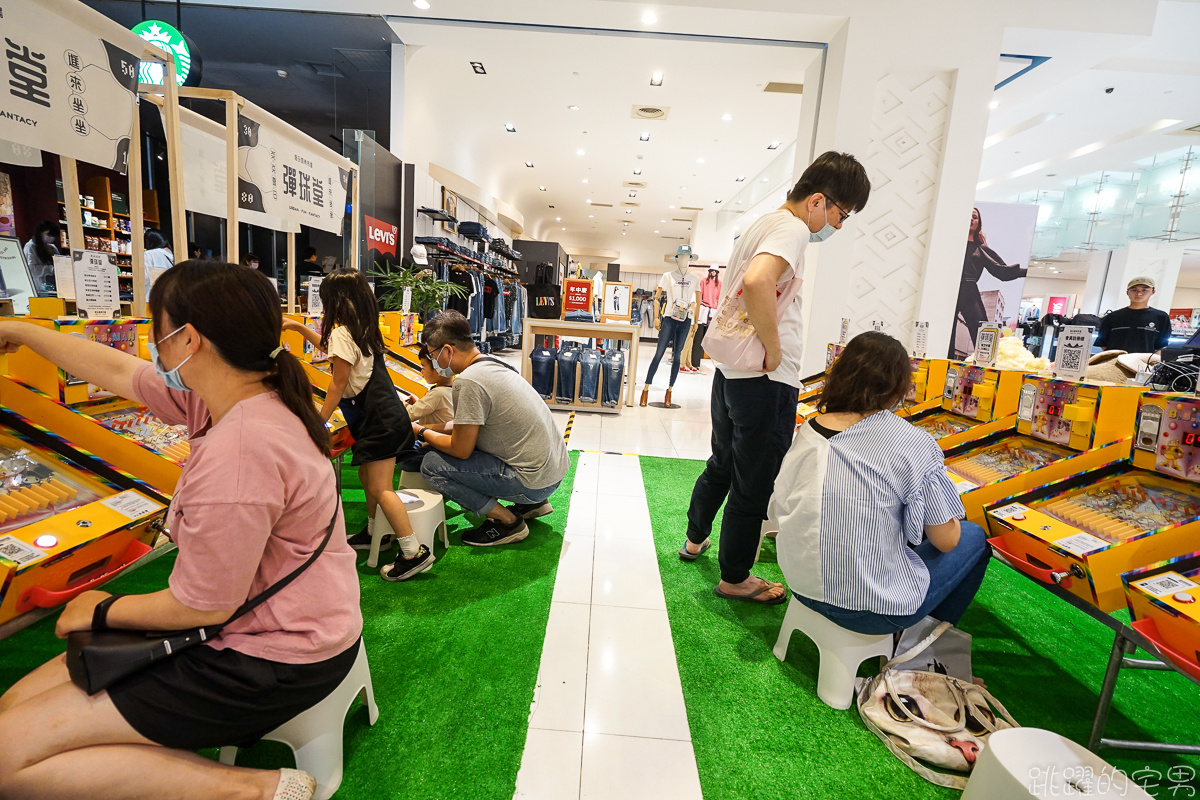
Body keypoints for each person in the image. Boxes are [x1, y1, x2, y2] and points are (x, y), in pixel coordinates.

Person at [0, 261, 361, 800]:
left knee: (7, 761)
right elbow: (118, 373)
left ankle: (257, 790)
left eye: (155, 328)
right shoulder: (235, 397)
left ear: (189, 339)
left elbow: (205, 606)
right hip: (280, 625)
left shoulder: (240, 448)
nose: (150, 343)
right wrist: (20, 331)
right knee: (12, 712)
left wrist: (101, 608)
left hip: (265, 658)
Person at [680, 151, 871, 604]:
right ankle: (735, 577)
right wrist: (776, 348)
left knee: (723, 463)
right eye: (841, 214)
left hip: (731, 372)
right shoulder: (792, 229)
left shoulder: (761, 223)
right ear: (818, 202)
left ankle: (694, 539)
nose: (838, 226)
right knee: (754, 481)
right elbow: (758, 280)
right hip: (764, 380)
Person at [771, 332, 989, 633]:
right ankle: (924, 646)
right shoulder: (912, 441)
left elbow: (779, 504)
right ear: (898, 386)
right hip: (869, 608)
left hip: (799, 583)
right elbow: (946, 540)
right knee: (972, 535)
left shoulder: (810, 429)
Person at [283, 268, 431, 582]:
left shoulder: (342, 331)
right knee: (367, 475)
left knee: (381, 487)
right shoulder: (362, 326)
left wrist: (318, 420)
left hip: (377, 421)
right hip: (387, 417)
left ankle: (412, 551)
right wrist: (298, 327)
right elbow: (335, 352)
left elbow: (336, 384)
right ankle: (376, 531)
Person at [417, 310, 569, 546]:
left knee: (432, 465)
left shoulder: (468, 382)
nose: (434, 361)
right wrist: (428, 428)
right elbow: (465, 424)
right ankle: (532, 504)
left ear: (447, 350)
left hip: (533, 482)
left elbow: (461, 450)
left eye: (432, 354)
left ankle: (508, 522)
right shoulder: (494, 363)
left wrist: (421, 432)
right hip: (553, 473)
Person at [950, 207, 1027, 357]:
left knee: (982, 333)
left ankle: (987, 365)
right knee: (945, 330)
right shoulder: (950, 245)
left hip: (969, 290)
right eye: (968, 215)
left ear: (978, 223)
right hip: (948, 289)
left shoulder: (981, 249)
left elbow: (1001, 271)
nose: (971, 219)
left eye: (974, 217)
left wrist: (1027, 272)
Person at [639, 245, 701, 406]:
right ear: (677, 258)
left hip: (686, 320)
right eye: (680, 256)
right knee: (658, 354)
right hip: (669, 318)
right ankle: (645, 389)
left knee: (677, 357)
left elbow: (698, 302)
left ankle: (670, 391)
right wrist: (656, 317)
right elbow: (657, 298)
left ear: (690, 259)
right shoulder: (668, 276)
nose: (683, 260)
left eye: (686, 257)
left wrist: (695, 321)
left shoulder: (695, 279)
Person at [398, 343, 455, 474]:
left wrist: (402, 403)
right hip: (440, 441)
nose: (421, 371)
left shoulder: (438, 393)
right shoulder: (451, 388)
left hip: (432, 444)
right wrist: (417, 402)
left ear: (438, 371)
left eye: (423, 367)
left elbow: (408, 415)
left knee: (403, 459)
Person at [1093, 276, 1171, 353]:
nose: (1139, 293)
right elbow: (1103, 343)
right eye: (1134, 290)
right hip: (1115, 363)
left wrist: (1152, 363)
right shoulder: (1112, 317)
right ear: (1127, 292)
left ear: (1153, 292)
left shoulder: (1161, 317)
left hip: (1144, 363)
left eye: (1144, 290)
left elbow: (1160, 347)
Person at [23, 220, 60, 291]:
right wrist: (52, 269)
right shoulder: (31, 246)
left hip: (54, 285)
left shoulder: (53, 247)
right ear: (40, 233)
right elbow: (31, 269)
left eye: (53, 236)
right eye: (49, 235)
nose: (51, 238)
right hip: (38, 286)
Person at [144, 229, 174, 300]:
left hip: (152, 300)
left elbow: (143, 279)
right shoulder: (173, 255)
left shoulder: (148, 254)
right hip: (170, 300)